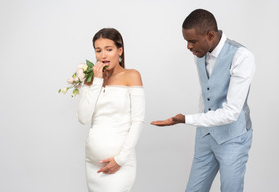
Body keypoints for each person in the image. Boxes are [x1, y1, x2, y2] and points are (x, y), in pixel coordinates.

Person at [151, 9, 255, 192]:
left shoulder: (242, 56)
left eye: (192, 41)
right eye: (186, 41)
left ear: (210, 35)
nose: (188, 47)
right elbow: (207, 91)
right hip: (206, 136)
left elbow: (232, 112)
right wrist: (201, 126)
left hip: (233, 137)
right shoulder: (200, 54)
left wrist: (186, 119)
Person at [77, 28, 145, 192]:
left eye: (109, 49)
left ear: (119, 50)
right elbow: (83, 118)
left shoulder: (132, 75)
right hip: (92, 163)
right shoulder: (92, 79)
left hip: (119, 162)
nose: (103, 55)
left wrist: (120, 160)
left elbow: (138, 121)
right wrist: (97, 82)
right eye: (98, 50)